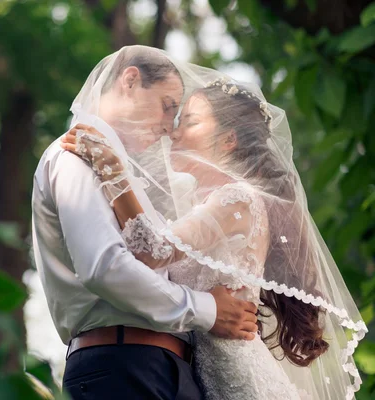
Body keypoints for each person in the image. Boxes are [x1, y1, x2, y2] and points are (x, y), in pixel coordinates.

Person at [60, 51, 367, 400]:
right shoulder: (204, 205)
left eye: (189, 121)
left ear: (227, 141)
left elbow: (152, 250)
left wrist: (113, 173)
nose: (172, 133)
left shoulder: (236, 198)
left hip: (240, 381)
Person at [31, 46, 259, 400]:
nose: (170, 128)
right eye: (168, 107)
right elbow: (105, 268)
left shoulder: (119, 171)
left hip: (158, 366)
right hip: (122, 365)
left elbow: (153, 252)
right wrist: (207, 309)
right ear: (131, 81)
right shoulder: (76, 154)